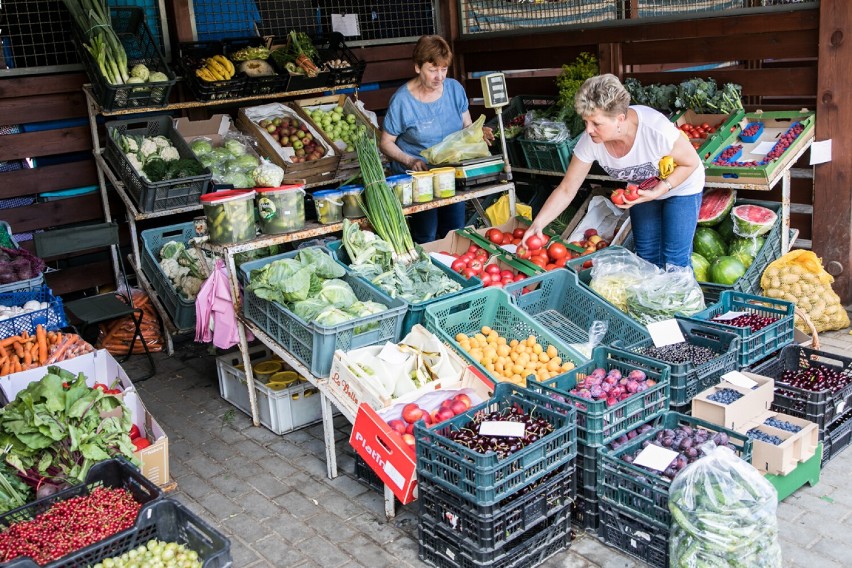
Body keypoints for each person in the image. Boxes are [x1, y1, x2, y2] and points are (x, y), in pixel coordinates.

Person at [522, 74, 704, 269]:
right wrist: (538, 224)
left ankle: (685, 299)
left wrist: (661, 189)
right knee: (646, 255)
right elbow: (567, 189)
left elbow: (691, 162)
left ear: (620, 119)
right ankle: (652, 299)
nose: (589, 130)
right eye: (585, 122)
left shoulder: (655, 129)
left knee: (675, 260)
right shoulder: (590, 141)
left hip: (680, 186)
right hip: (641, 190)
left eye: (596, 124)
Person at [380, 35, 494, 244]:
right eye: (432, 70)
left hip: (451, 174)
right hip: (420, 176)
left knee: (455, 230)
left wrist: (479, 132)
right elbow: (386, 142)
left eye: (443, 69)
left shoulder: (454, 89)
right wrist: (409, 161)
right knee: (427, 233)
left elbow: (466, 128)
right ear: (417, 67)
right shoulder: (402, 101)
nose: (439, 76)